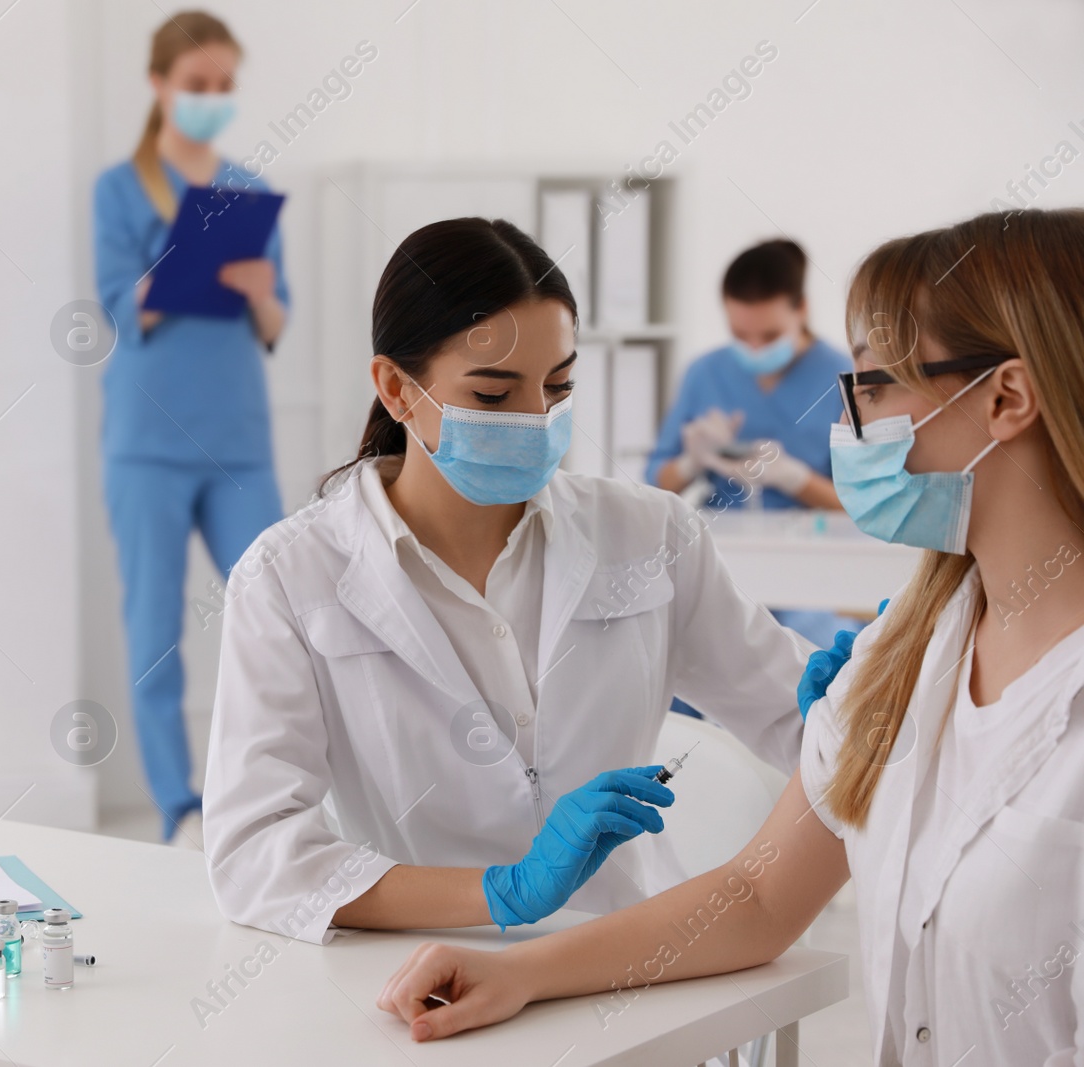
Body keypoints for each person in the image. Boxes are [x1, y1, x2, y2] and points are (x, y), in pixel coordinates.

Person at [375, 209, 1084, 1065]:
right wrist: (522, 970)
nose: (853, 427)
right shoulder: (912, 639)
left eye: (875, 389)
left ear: (1005, 397)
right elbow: (757, 892)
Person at [203, 218, 816, 947]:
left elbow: (801, 718)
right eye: (494, 395)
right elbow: (255, 852)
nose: (536, 420)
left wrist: (884, 691)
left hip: (626, 967)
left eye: (557, 388)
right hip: (421, 980)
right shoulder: (288, 577)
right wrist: (502, 892)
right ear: (397, 389)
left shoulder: (650, 534)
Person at [93, 10, 290, 844]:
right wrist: (176, 269)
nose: (211, 99)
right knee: (155, 629)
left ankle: (276, 793)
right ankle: (179, 804)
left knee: (284, 610)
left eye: (223, 87)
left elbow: (278, 325)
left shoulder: (249, 190)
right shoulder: (118, 188)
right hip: (148, 441)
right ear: (160, 84)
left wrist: (252, 285)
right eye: (196, 85)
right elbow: (111, 304)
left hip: (238, 437)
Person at [646, 239, 859, 649]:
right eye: (741, 334)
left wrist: (797, 480)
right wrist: (693, 461)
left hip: (814, 569)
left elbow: (866, 506)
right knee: (677, 653)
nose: (756, 348)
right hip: (720, 556)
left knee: (811, 656)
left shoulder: (843, 377)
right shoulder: (705, 372)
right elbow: (655, 485)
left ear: (802, 310)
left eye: (770, 334)